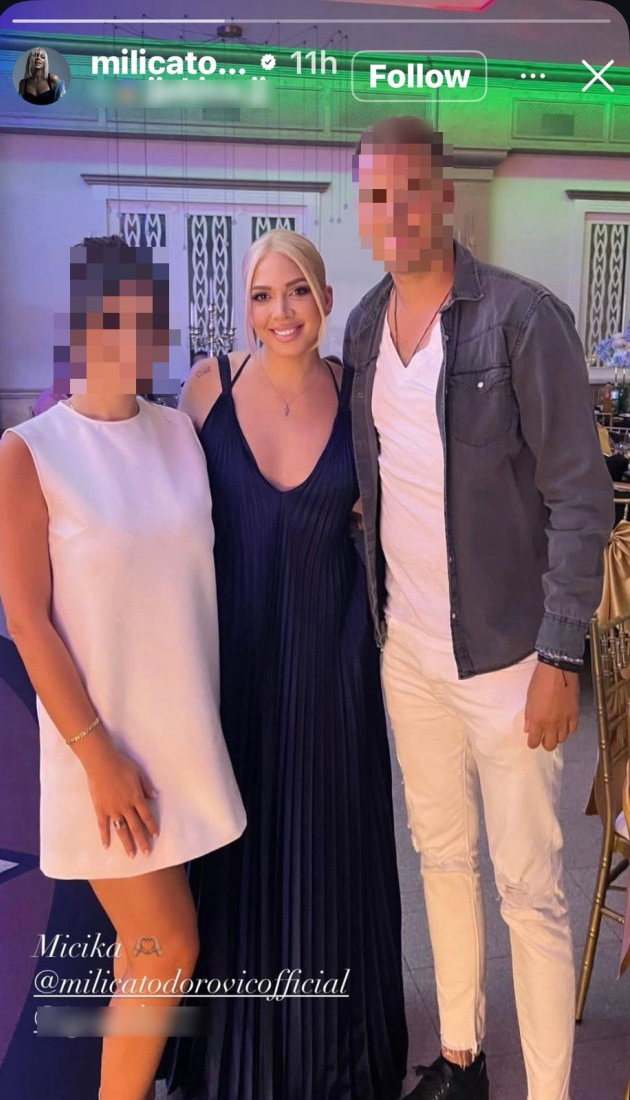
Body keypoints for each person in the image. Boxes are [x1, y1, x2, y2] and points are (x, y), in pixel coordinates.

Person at [344, 117, 614, 1100]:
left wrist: (559, 655)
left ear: (445, 196)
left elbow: (579, 497)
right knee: (441, 857)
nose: (395, 212)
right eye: (376, 196)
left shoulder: (521, 318)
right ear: (361, 210)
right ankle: (460, 1058)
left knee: (528, 888)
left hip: (509, 660)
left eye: (410, 190)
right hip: (409, 651)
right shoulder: (364, 328)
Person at [0, 235, 246, 1100]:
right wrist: (98, 756)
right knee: (167, 947)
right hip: (100, 751)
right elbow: (29, 621)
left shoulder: (179, 433)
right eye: (111, 317)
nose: (130, 337)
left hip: (183, 736)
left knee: (148, 956)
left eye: (146, 320)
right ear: (78, 322)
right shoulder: (30, 451)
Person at [166, 229, 408, 1100]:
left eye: (298, 290)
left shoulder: (357, 393)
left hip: (332, 669)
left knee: (327, 860)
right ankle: (233, 1057)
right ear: (245, 308)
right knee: (234, 858)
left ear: (326, 299)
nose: (282, 311)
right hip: (232, 671)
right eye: (264, 295)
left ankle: (331, 1055)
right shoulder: (207, 389)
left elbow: (405, 503)